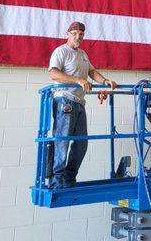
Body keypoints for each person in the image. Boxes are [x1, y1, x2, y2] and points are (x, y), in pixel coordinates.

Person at [48, 21, 116, 188]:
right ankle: (57, 181)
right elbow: (54, 73)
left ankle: (69, 179)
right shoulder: (61, 51)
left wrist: (105, 81)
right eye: (75, 34)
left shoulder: (83, 54)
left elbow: (92, 72)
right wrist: (78, 80)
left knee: (81, 144)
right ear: (67, 34)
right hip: (65, 99)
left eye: (81, 35)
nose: (78, 37)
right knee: (62, 141)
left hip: (79, 102)